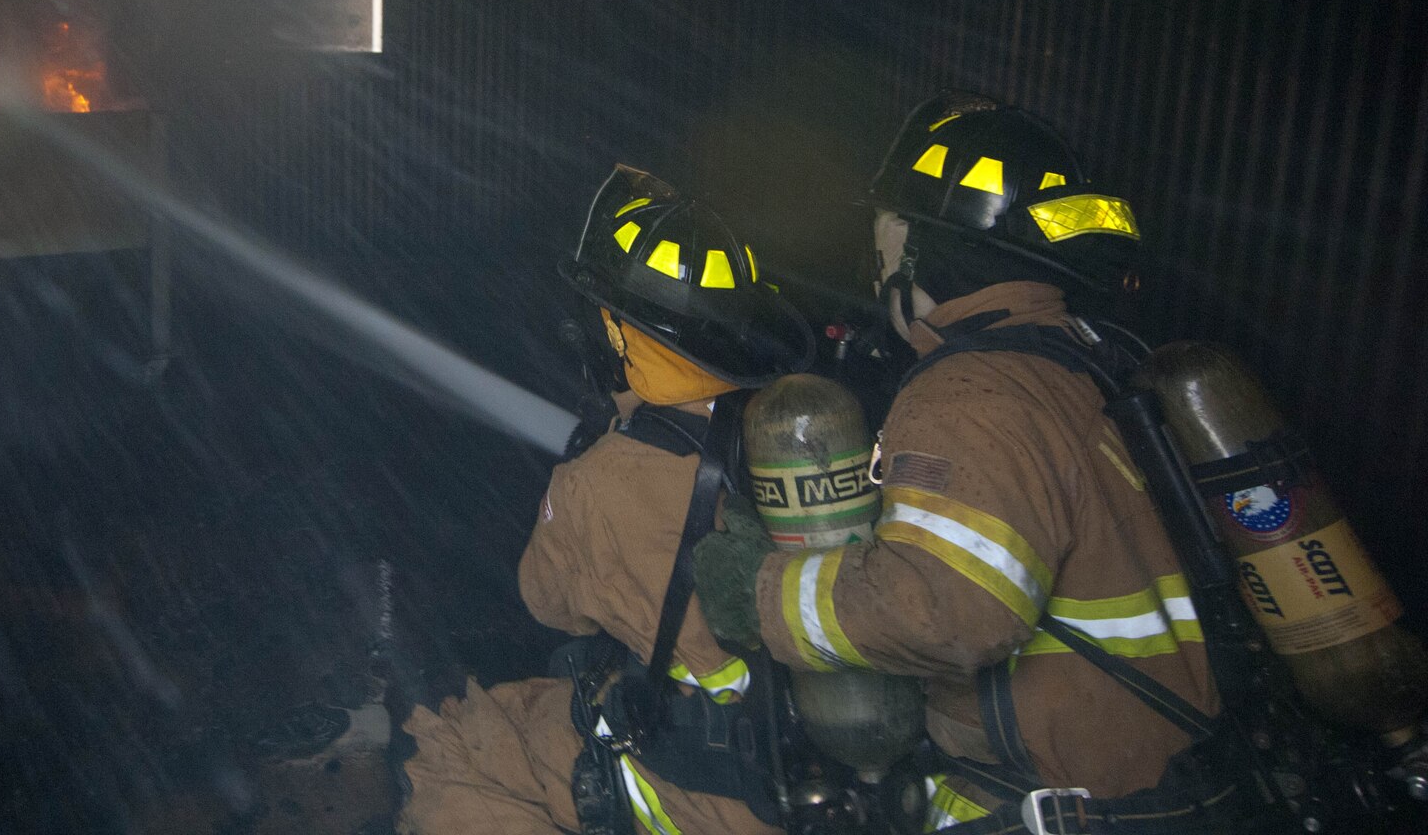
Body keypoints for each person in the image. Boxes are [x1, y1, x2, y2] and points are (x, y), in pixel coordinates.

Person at [694, 93, 1226, 830]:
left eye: (885, 233)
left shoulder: (971, 393)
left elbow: (946, 609)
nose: (876, 260)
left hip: (1071, 806)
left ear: (924, 246)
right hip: (1183, 791)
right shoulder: (1089, 363)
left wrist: (760, 592)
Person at [397, 166, 811, 835]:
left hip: (712, 789)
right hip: (813, 767)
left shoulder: (598, 480)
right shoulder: (799, 433)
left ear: (620, 333)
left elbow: (547, 601)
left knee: (461, 748)